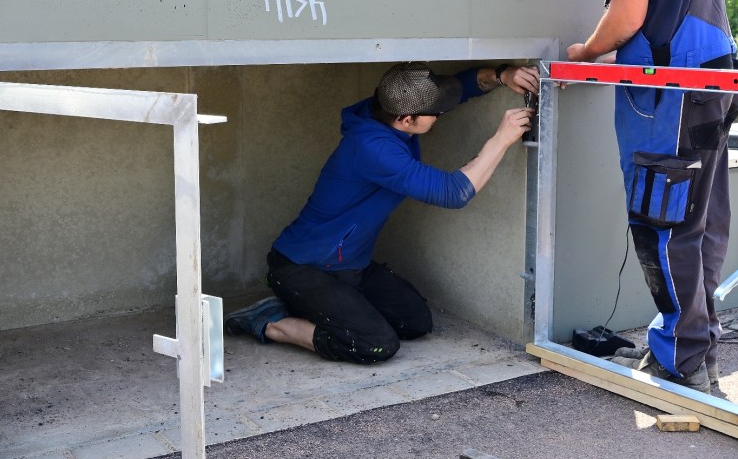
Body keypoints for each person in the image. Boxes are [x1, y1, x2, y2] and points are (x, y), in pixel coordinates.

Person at [557, 0, 738, 394]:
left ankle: (679, 360)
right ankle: (696, 349)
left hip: (672, 89)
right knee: (701, 220)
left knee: (661, 220)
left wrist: (587, 52)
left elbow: (629, 11)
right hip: (713, 78)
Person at [224, 61, 538, 363]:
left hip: (350, 266)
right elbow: (453, 192)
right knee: (374, 344)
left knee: (414, 322)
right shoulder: (375, 149)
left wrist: (503, 74)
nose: (441, 114)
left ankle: (318, 307)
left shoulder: (386, 109)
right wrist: (501, 139)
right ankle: (271, 321)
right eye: (436, 112)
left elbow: (461, 86)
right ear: (407, 120)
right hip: (303, 267)